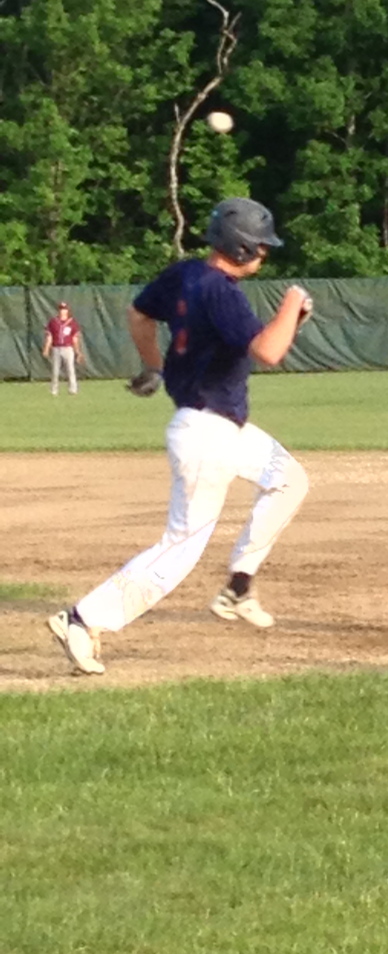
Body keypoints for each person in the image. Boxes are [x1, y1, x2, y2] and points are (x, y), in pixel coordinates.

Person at [48, 197, 312, 675]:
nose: (265, 255)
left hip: (222, 428)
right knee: (179, 548)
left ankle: (239, 585)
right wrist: (293, 303)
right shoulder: (223, 292)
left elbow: (138, 314)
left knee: (288, 478)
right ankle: (83, 619)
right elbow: (270, 351)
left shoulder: (187, 275)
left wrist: (153, 364)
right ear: (241, 246)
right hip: (206, 435)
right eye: (261, 247)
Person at [42, 301, 83, 395]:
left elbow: (75, 339)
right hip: (56, 348)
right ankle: (54, 390)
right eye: (61, 309)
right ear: (58, 310)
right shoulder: (53, 322)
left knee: (70, 370)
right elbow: (50, 337)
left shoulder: (72, 322)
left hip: (68, 348)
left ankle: (73, 390)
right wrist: (46, 348)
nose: (62, 311)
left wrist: (78, 352)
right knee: (55, 371)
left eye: (64, 309)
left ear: (68, 310)